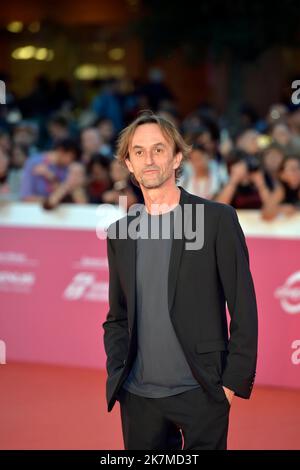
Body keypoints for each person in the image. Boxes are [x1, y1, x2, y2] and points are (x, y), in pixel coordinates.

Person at [102, 111, 258, 450]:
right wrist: (118, 372)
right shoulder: (120, 233)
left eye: (159, 149)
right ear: (128, 163)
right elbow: (117, 316)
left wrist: (231, 384)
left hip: (202, 392)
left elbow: (243, 306)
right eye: (139, 152)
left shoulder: (216, 220)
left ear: (176, 157)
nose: (149, 159)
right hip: (138, 397)